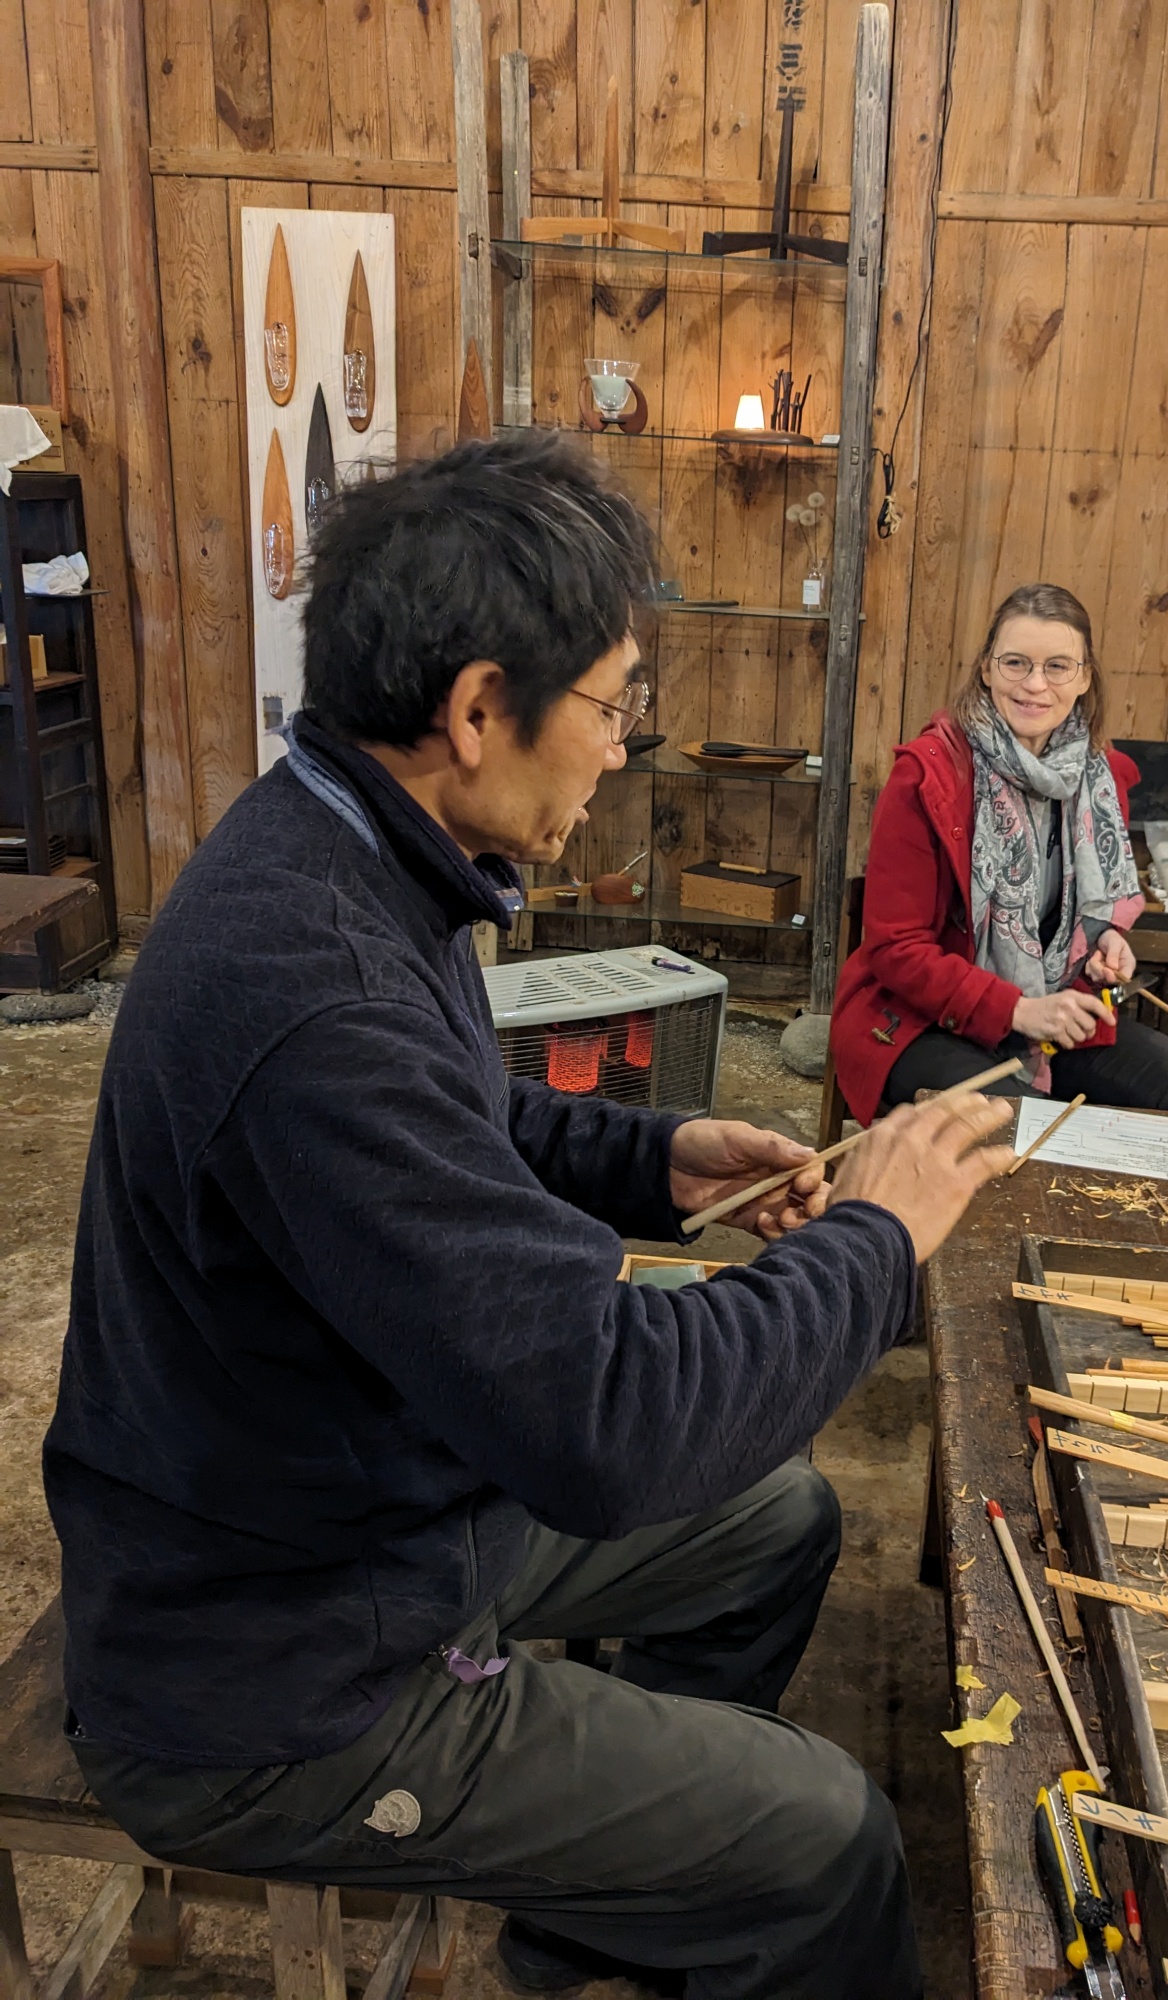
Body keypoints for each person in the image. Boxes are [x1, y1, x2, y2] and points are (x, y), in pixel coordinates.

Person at [43, 433, 1016, 2000]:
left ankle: (592, 1922)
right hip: (276, 1676)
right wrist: (875, 1239)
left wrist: (653, 1158)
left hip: (357, 1525)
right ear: (479, 708)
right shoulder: (314, 985)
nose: (625, 749)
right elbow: (611, 1426)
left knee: (774, 1524)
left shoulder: (346, 844)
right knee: (832, 1839)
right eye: (616, 705)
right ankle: (678, 1877)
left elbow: (463, 1121)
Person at [832, 581, 1168, 1125]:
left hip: (1049, 1017)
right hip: (918, 1020)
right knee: (1030, 1127)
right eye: (1016, 663)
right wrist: (1019, 1010)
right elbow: (896, 949)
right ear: (985, 668)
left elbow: (1081, 914)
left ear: (1085, 677)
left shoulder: (1100, 776)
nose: (1034, 685)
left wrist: (1106, 942)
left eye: (1057, 667)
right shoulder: (929, 777)